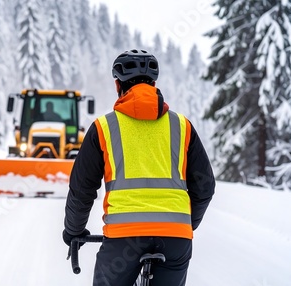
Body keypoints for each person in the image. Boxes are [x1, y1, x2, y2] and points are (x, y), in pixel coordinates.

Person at [62, 49, 215, 286]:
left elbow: (82, 189)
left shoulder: (103, 127)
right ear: (154, 83)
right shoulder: (182, 126)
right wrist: (184, 224)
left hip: (124, 238)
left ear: (117, 85)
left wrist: (74, 231)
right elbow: (205, 187)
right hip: (175, 239)